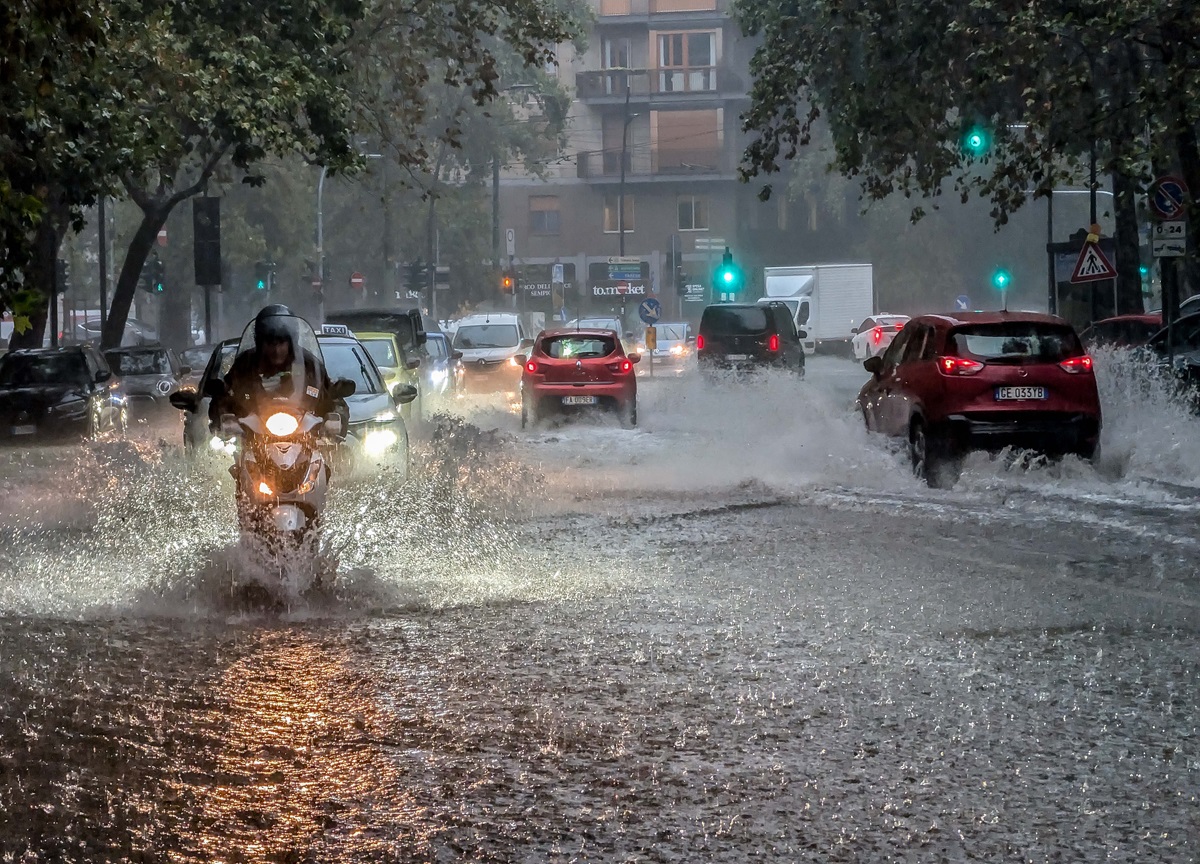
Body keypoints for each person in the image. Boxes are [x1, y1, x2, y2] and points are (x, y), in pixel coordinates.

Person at [210, 304, 346, 435]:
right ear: (260, 343)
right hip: (253, 435)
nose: (276, 350)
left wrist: (333, 419)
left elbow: (330, 396)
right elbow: (226, 395)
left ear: (291, 342)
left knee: (334, 453)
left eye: (281, 343)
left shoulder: (309, 365)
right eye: (270, 344)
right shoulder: (245, 364)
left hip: (304, 436)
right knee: (227, 453)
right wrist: (227, 418)